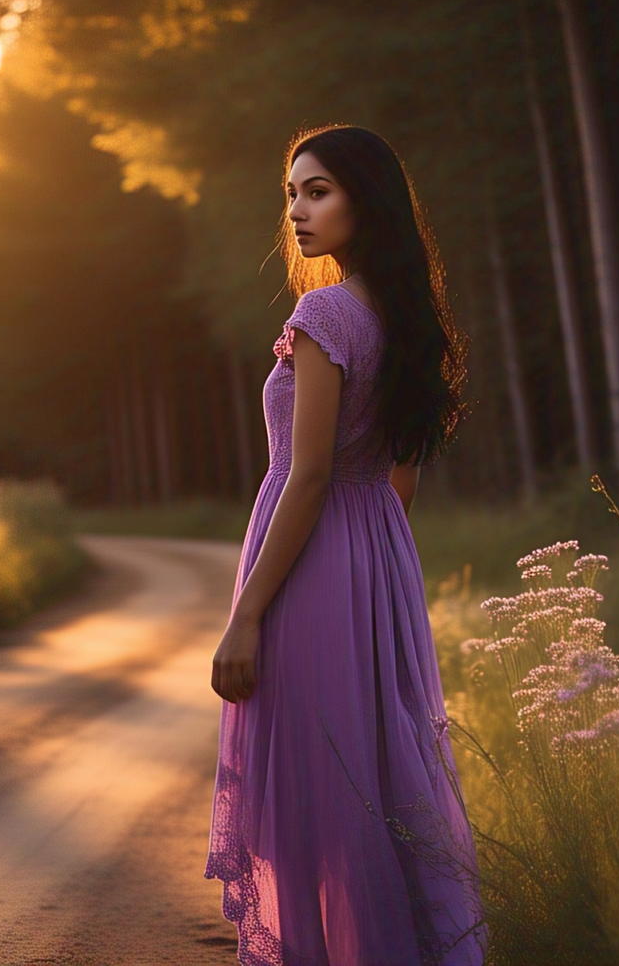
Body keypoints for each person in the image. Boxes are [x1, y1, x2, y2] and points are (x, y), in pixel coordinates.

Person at [205, 125, 486, 966]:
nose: (296, 210)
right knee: (375, 778)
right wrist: (374, 572)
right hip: (376, 565)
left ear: (367, 199)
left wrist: (248, 612)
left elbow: (311, 474)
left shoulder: (325, 312)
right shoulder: (403, 314)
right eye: (291, 192)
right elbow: (397, 480)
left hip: (314, 569)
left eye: (317, 190)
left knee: (319, 792)